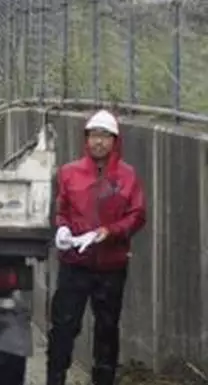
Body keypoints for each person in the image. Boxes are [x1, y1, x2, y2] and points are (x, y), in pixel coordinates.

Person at [46, 109, 147, 385]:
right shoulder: (69, 173)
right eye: (94, 136)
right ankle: (54, 378)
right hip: (75, 263)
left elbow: (137, 214)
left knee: (107, 329)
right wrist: (63, 229)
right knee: (63, 328)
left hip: (111, 265)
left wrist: (110, 231)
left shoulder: (127, 176)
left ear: (115, 141)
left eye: (105, 136)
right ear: (86, 139)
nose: (99, 142)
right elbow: (60, 209)